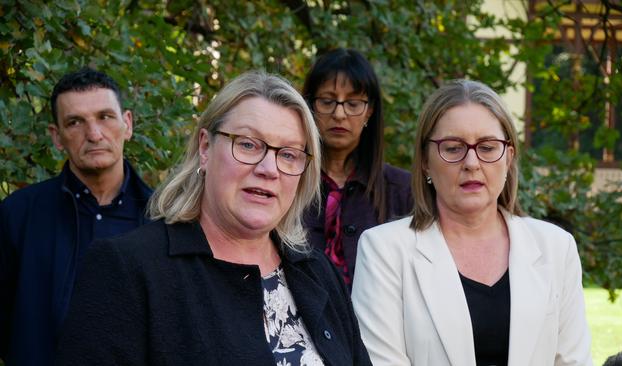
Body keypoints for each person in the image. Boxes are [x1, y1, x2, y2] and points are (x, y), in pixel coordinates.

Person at [56, 71, 371, 365]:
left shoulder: (317, 271)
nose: (268, 169)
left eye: (288, 154)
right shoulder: (127, 269)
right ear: (205, 148)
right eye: (248, 144)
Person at [351, 79, 592, 366]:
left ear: (509, 157)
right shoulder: (384, 251)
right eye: (453, 148)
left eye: (488, 147)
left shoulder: (556, 248)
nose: (472, 163)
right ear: (426, 160)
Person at [0, 67, 152, 366]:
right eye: (75, 122)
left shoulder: (164, 219)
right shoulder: (18, 215)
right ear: (57, 137)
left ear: (128, 123)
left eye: (105, 117)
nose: (94, 134)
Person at [302, 48, 413, 286]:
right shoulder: (287, 180)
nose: (339, 114)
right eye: (327, 101)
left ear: (369, 111)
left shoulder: (404, 190)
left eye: (353, 103)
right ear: (310, 106)